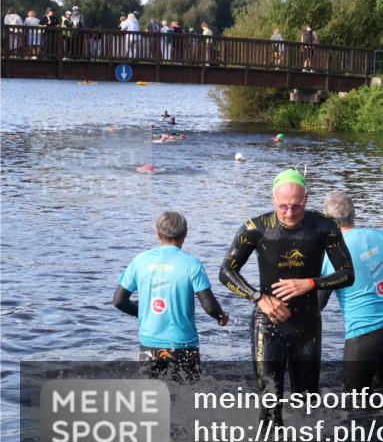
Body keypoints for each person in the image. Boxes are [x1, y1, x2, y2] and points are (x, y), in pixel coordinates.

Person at [219, 169, 355, 423]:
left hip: (306, 326)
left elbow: (348, 274)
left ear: (306, 199)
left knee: (307, 404)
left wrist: (311, 284)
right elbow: (226, 272)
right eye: (283, 206)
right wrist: (258, 297)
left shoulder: (325, 227)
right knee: (270, 406)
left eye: (296, 206)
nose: (290, 213)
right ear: (273, 200)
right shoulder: (255, 228)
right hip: (267, 323)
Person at [319, 191, 383, 391]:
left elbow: (319, 302)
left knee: (354, 402)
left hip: (362, 334)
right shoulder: (379, 236)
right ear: (353, 214)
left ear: (328, 222)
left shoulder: (333, 251)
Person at [113, 211, 229, 381]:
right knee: (190, 397)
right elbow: (209, 306)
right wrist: (221, 316)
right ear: (185, 234)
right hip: (183, 345)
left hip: (150, 344)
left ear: (157, 233)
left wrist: (143, 311)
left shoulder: (139, 261)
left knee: (151, 399)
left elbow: (118, 301)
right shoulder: (192, 264)